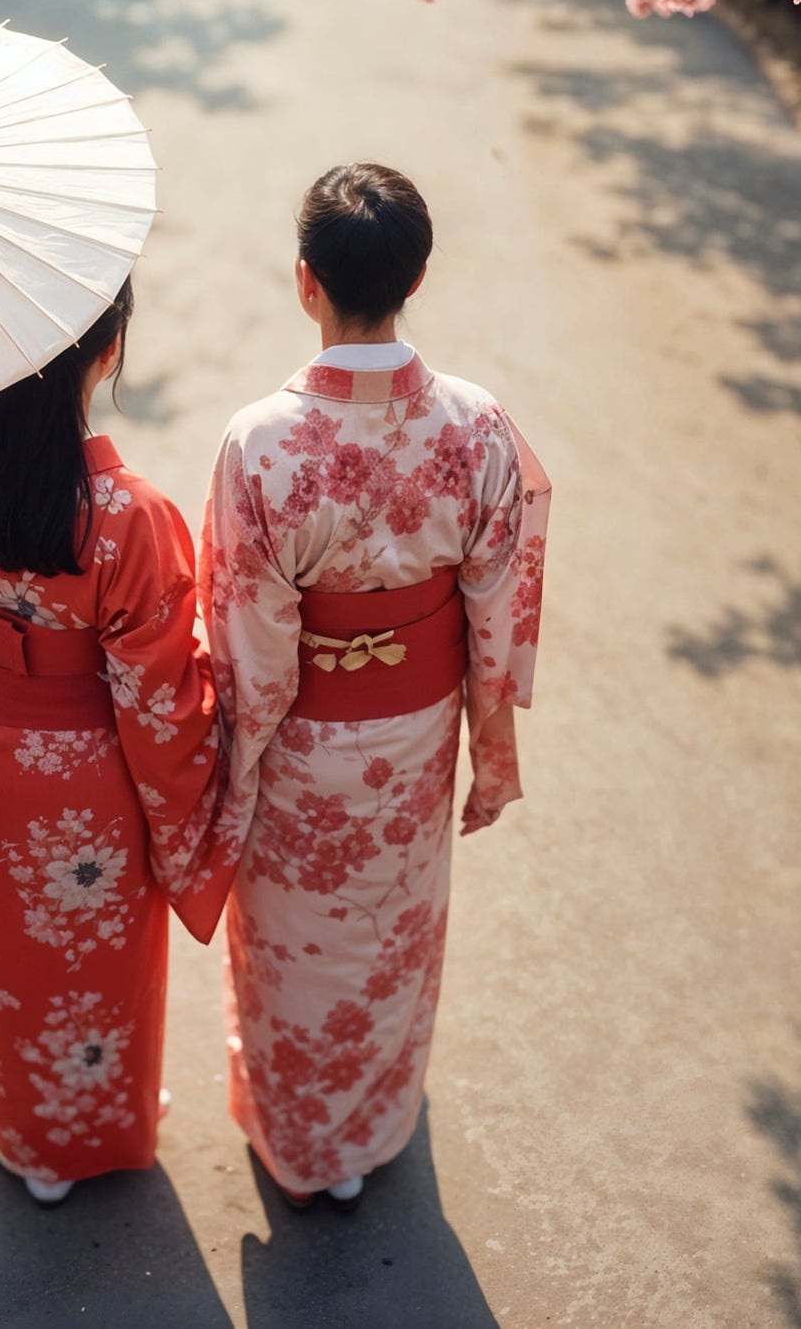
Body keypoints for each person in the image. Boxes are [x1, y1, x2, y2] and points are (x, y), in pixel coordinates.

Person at [200, 164, 552, 1205]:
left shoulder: (260, 442)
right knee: (387, 934)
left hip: (300, 738)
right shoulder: (479, 426)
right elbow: (503, 606)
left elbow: (245, 638)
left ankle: (299, 1138)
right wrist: (489, 731)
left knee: (300, 942)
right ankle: (370, 1123)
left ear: (303, 281)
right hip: (415, 732)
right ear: (420, 275)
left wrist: (236, 753)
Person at [0, 278, 233, 1204]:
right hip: (91, 777)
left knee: (0, 943)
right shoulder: (131, 516)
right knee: (91, 959)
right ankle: (93, 1128)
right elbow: (161, 702)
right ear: (107, 349)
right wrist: (202, 783)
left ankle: (19, 1128)